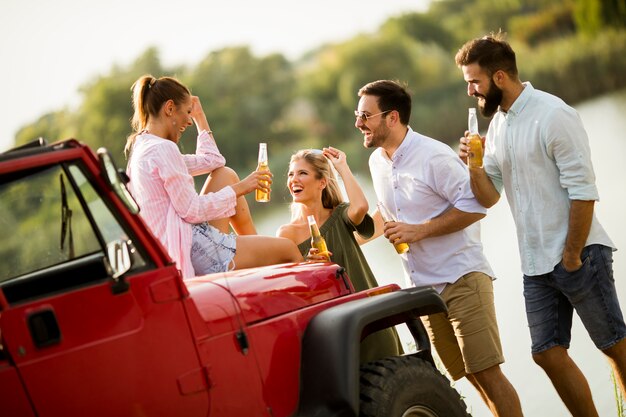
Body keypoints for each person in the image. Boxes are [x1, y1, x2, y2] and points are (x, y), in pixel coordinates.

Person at [456, 33, 626, 417]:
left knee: (614, 345)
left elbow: (584, 191)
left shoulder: (553, 114)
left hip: (579, 253)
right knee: (546, 353)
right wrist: (474, 165)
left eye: (474, 81)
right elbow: (489, 197)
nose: (470, 90)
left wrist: (571, 254)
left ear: (499, 77)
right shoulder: (497, 126)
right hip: (535, 266)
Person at [356, 79, 524, 417]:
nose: (359, 123)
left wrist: (420, 231)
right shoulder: (377, 162)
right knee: (470, 377)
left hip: (461, 276)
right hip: (424, 292)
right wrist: (350, 239)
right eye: (358, 115)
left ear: (392, 117)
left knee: (488, 373)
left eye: (365, 115)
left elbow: (476, 206)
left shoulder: (433, 155)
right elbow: (388, 214)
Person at [125, 74, 302, 278]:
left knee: (224, 174)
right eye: (188, 113)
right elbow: (192, 210)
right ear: (170, 108)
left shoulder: (143, 146)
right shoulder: (164, 149)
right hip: (190, 248)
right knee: (288, 250)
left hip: (178, 242)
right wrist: (241, 188)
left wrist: (201, 116)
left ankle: (258, 259)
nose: (190, 121)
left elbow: (214, 161)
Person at [276, 147, 402, 362]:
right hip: (332, 337)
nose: (293, 180)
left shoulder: (341, 214)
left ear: (322, 182)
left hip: (371, 321)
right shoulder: (286, 235)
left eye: (302, 173)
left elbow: (361, 206)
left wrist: (342, 167)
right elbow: (290, 290)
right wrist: (306, 266)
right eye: (291, 174)